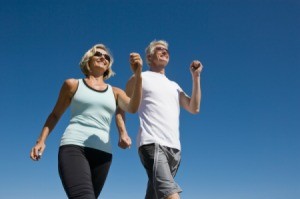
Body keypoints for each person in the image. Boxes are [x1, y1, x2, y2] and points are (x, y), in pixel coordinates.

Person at [30, 43, 142, 199]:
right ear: (88, 60)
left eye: (107, 57)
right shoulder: (72, 85)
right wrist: (41, 141)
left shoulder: (116, 92)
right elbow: (55, 115)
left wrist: (138, 75)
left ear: (108, 65)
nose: (103, 57)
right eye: (98, 54)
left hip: (103, 154)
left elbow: (133, 108)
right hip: (74, 146)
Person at [116, 40, 203, 199]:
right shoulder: (139, 77)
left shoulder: (174, 85)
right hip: (152, 143)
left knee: (155, 195)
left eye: (166, 50)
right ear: (149, 57)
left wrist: (196, 77)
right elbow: (121, 105)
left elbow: (194, 108)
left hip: (175, 148)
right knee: (170, 194)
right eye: (159, 50)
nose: (165, 52)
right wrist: (123, 132)